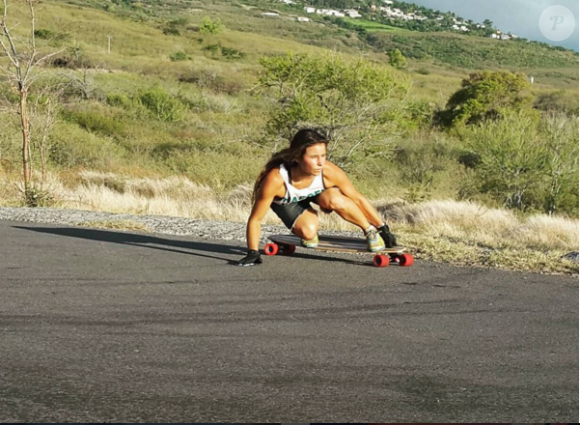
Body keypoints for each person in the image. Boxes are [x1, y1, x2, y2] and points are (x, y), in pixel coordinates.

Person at [237, 129, 397, 266]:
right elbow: (255, 219)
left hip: (317, 195)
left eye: (323, 155)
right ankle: (307, 221)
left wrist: (382, 228)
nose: (320, 162)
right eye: (314, 157)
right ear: (297, 158)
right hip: (288, 201)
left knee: (335, 198)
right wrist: (253, 251)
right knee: (309, 234)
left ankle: (369, 232)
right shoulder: (276, 180)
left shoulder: (328, 171)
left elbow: (357, 198)